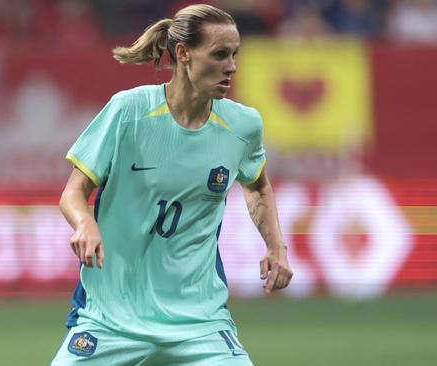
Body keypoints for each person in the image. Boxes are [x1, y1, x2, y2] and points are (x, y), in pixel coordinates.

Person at [50, 4, 293, 365]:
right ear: (183, 54)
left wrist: (277, 247)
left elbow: (257, 186)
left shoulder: (243, 126)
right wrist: (85, 223)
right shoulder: (128, 111)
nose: (232, 66)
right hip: (111, 320)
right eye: (220, 54)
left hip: (200, 324)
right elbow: (74, 191)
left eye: (234, 55)